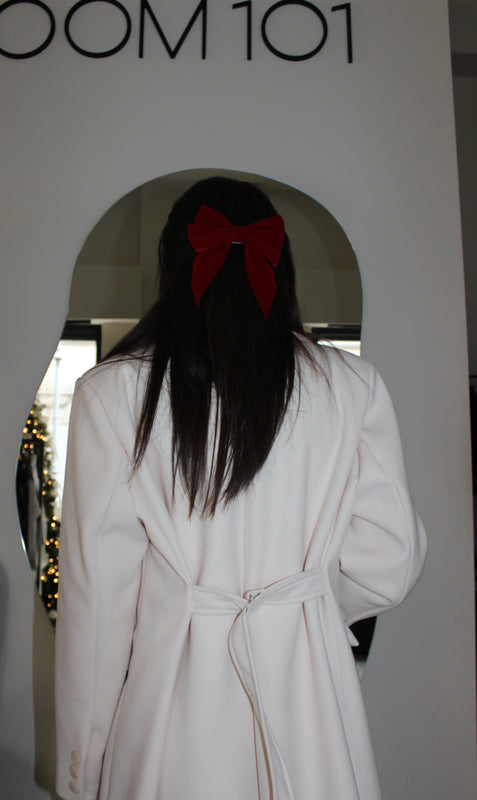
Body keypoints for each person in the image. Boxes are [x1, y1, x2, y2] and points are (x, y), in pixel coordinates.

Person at [54, 176, 427, 800]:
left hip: (170, 714)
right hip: (311, 705)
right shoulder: (351, 385)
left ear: (172, 269)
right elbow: (391, 561)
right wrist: (302, 603)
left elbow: (97, 614)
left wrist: (82, 772)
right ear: (280, 267)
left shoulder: (111, 394)